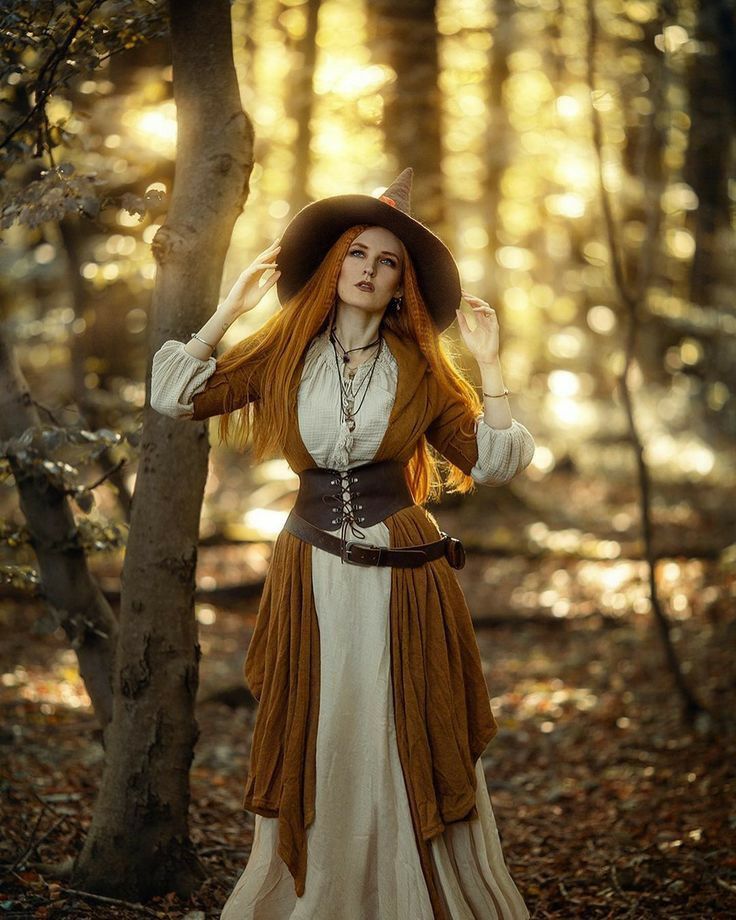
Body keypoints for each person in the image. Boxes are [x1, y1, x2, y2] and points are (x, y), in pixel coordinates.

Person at [151, 168, 534, 919]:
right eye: (358, 253)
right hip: (312, 568)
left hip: (405, 577)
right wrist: (228, 308)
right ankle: (325, 894)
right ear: (335, 265)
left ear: (401, 286)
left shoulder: (424, 367)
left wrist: (489, 364)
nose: (368, 270)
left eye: (387, 261)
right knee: (325, 723)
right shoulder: (285, 351)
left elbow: (490, 462)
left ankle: (408, 893)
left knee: (399, 723)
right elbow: (176, 396)